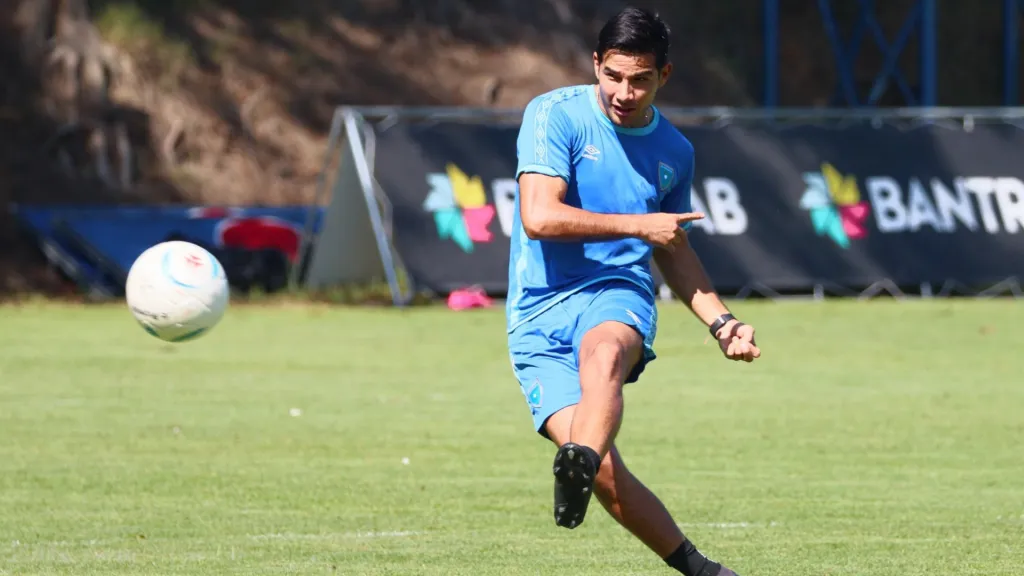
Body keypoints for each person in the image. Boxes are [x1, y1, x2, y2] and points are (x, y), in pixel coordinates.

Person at [505, 6, 760, 576]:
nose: (625, 90)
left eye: (640, 79)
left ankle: (581, 460)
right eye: (614, 75)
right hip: (536, 312)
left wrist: (722, 323)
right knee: (603, 472)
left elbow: (675, 249)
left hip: (616, 290)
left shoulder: (674, 152)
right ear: (596, 63)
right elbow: (540, 217)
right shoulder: (553, 114)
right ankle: (700, 568)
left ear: (663, 76)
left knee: (605, 354)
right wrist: (638, 224)